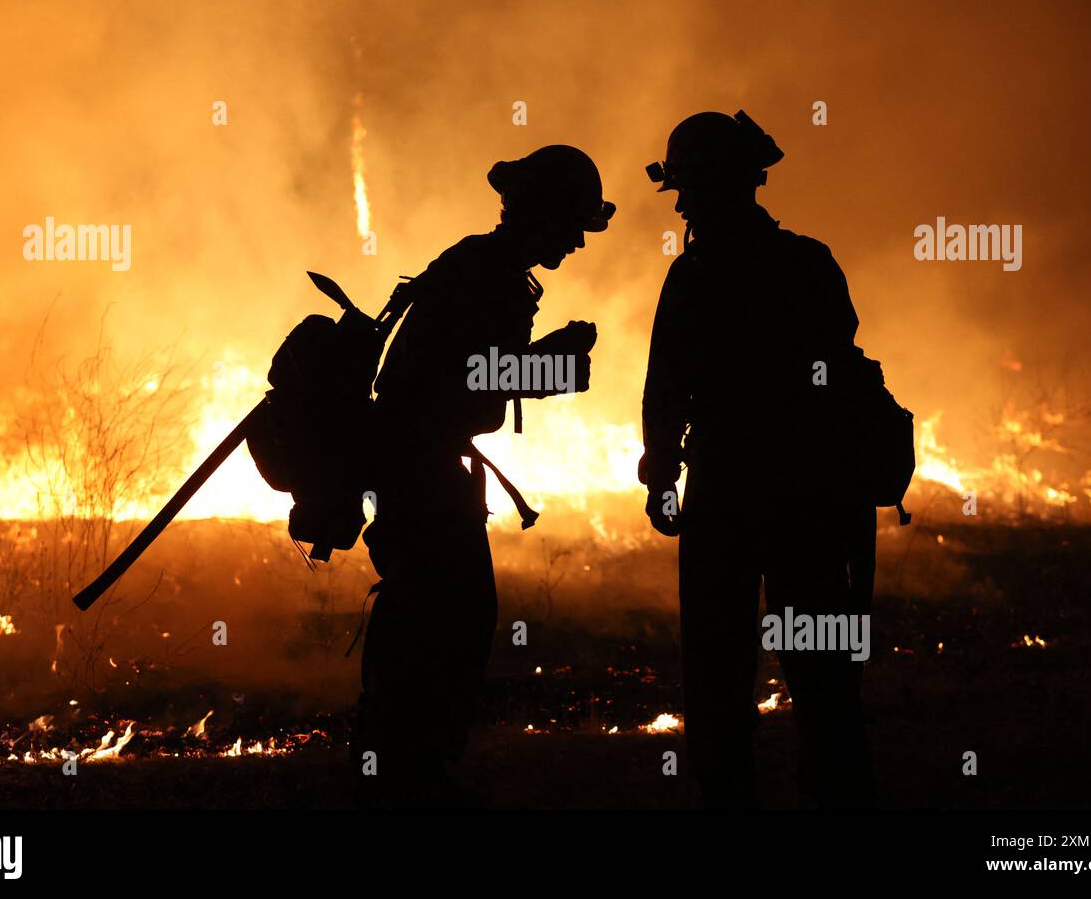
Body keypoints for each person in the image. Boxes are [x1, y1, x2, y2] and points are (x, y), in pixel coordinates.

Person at [353, 144, 613, 806]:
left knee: (442, 614)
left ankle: (402, 766)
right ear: (542, 215)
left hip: (422, 464)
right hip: (420, 468)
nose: (579, 242)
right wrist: (552, 366)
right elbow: (469, 382)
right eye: (573, 226)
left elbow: (470, 377)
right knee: (446, 617)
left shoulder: (483, 267)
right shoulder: (487, 274)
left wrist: (543, 365)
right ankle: (404, 771)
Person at [639, 110, 876, 807]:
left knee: (718, 673)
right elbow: (842, 363)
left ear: (716, 187)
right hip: (813, 499)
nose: (680, 205)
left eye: (686, 188)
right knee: (824, 674)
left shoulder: (694, 277)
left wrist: (663, 480)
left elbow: (666, 392)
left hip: (728, 497)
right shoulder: (809, 264)